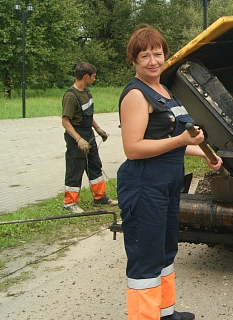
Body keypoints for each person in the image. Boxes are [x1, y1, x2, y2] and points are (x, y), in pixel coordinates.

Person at [117, 27, 223, 320]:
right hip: (144, 185)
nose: (152, 60)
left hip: (166, 183)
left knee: (165, 250)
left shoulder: (163, 91)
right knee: (145, 257)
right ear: (134, 60)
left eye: (157, 53)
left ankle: (165, 313)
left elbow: (171, 144)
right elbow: (134, 148)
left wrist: (204, 153)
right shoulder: (136, 95)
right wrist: (182, 141)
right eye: (144, 55)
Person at [61, 62, 117, 213]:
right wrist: (79, 139)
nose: (94, 79)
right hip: (76, 138)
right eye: (93, 77)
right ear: (85, 76)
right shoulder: (70, 96)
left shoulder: (86, 92)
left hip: (89, 134)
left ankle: (100, 198)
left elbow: (88, 114)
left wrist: (97, 128)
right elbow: (65, 122)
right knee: (75, 169)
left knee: (94, 165)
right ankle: (70, 203)